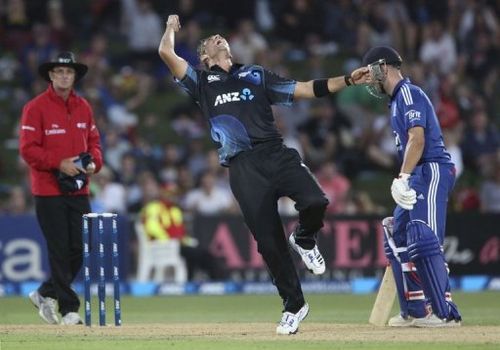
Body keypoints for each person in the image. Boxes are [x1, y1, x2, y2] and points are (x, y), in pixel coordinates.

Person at [159, 14, 370, 335]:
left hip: (275, 152)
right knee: (269, 244)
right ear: (203, 56)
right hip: (242, 167)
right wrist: (170, 29)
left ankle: (304, 237)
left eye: (220, 36)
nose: (218, 37)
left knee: (316, 200)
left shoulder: (254, 74)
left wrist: (349, 80)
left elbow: (303, 89)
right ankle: (294, 306)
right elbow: (166, 54)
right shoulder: (200, 82)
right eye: (211, 40)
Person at [362, 46, 462, 327]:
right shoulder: (394, 102)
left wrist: (403, 176)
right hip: (417, 173)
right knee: (396, 233)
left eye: (371, 73)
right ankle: (415, 310)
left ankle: (444, 312)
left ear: (383, 66)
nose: (370, 80)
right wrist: (407, 175)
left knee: (425, 235)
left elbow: (417, 140)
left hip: (431, 169)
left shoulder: (409, 93)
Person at [19, 52, 103, 325]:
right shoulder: (35, 107)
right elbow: (28, 149)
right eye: (59, 72)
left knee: (82, 248)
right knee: (59, 249)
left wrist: (95, 164)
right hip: (48, 190)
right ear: (51, 76)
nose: (65, 76)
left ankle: (44, 293)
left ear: (75, 76)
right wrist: (60, 163)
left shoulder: (84, 107)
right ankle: (69, 309)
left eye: (69, 72)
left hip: (79, 189)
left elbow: (94, 144)